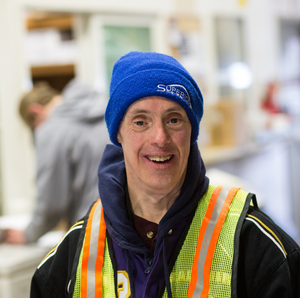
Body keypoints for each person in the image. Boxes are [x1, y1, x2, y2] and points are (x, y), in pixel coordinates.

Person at [30, 52, 300, 298]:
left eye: (174, 119)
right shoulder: (73, 256)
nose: (160, 138)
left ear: (191, 134)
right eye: (140, 121)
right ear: (118, 134)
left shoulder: (255, 244)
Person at [5, 79, 110, 244]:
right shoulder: (106, 114)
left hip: (92, 236)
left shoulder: (51, 129)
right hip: (126, 227)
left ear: (35, 111)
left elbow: (52, 204)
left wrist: (28, 234)